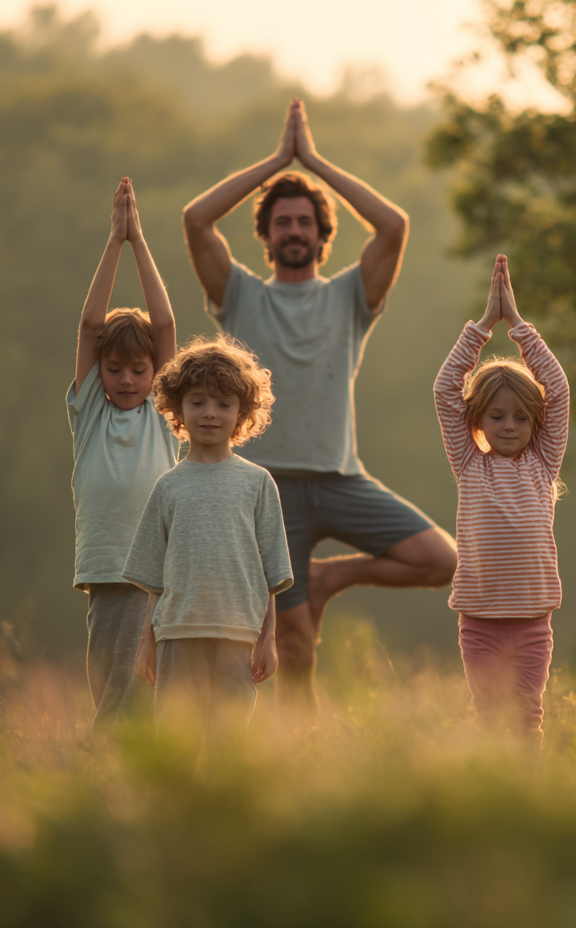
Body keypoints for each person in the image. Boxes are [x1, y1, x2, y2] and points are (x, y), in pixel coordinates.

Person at [182, 98, 457, 711]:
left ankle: (335, 575)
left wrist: (316, 163)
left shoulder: (351, 298)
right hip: (267, 491)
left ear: (323, 235)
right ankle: (298, 746)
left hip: (341, 479)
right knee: (297, 643)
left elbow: (394, 226)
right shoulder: (238, 296)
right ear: (266, 235)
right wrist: (277, 162)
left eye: (306, 221)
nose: (295, 231)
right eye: (283, 222)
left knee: (442, 560)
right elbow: (197, 220)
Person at [125, 335, 292, 749]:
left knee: (229, 743)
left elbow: (273, 572)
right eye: (197, 402)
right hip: (177, 636)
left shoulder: (257, 483)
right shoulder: (168, 487)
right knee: (176, 741)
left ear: (242, 413)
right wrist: (147, 642)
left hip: (239, 636)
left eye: (223, 404)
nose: (210, 413)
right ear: (178, 409)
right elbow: (153, 579)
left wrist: (269, 640)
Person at [433, 255, 569, 747]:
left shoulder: (544, 462)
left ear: (536, 423)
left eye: (519, 418)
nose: (508, 426)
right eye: (496, 417)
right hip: (481, 625)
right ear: (478, 422)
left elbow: (557, 388)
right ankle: (494, 790)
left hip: (534, 624)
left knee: (527, 715)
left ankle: (528, 787)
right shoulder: (470, 463)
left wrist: (520, 327)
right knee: (490, 714)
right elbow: (446, 388)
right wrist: (484, 326)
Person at [67, 177, 179, 731]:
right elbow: (90, 325)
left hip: (153, 570)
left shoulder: (165, 413)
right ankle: (106, 768)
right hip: (106, 568)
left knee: (139, 687)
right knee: (109, 682)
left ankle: (112, 767)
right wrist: (114, 242)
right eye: (116, 369)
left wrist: (140, 241)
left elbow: (164, 325)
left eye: (140, 369)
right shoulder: (90, 414)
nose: (129, 379)